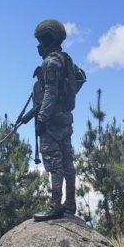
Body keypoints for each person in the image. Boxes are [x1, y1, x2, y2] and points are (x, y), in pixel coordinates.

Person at [26, 20, 85, 221]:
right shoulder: (67, 60)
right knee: (67, 161)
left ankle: (55, 205)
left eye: (40, 41)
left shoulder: (50, 62)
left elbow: (50, 92)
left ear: (48, 39)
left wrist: (42, 118)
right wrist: (64, 102)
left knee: (54, 163)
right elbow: (79, 79)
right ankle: (70, 203)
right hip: (65, 121)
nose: (38, 46)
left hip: (51, 122)